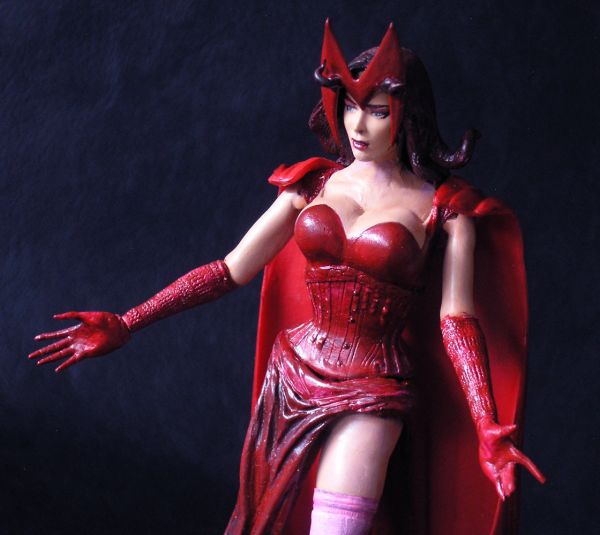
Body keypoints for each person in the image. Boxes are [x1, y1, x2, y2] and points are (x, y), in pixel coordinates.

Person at [29, 20, 544, 535]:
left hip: (377, 384)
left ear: (409, 115)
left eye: (378, 112)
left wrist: (486, 422)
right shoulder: (312, 184)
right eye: (350, 107)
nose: (359, 126)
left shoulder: (443, 211)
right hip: (294, 375)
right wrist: (130, 321)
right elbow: (231, 269)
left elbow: (456, 321)